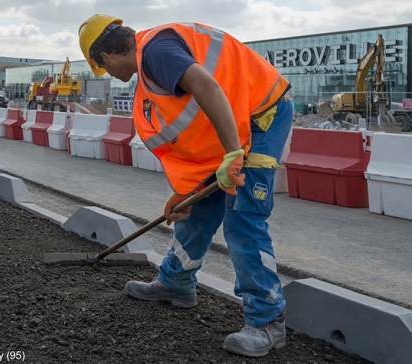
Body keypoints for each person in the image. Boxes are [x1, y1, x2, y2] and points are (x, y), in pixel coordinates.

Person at [78, 15, 293, 358]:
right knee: (195, 211)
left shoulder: (156, 52)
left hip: (262, 115)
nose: (109, 75)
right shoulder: (152, 67)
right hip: (234, 123)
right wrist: (186, 190)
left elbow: (208, 87)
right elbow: (193, 128)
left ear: (106, 57)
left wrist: (234, 155)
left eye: (102, 68)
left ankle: (267, 321)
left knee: (243, 217)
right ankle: (176, 283)